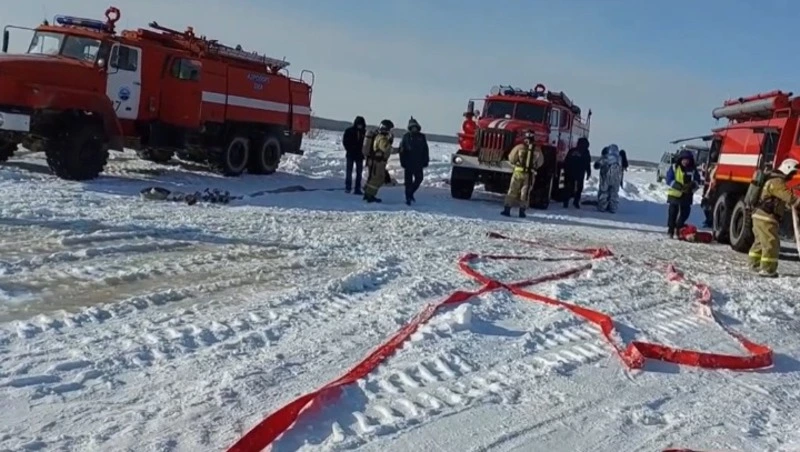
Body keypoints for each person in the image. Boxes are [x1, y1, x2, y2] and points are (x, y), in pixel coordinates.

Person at [748, 158, 800, 277]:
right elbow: (789, 197)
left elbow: (779, 200)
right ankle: (767, 269)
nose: (792, 176)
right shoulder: (777, 182)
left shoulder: (773, 180)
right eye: (792, 173)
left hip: (760, 216)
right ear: (787, 170)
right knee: (771, 242)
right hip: (766, 217)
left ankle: (754, 264)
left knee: (760, 242)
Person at [502, 130, 544, 218]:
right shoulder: (537, 149)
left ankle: (507, 210)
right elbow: (540, 162)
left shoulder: (519, 147)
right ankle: (522, 211)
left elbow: (511, 158)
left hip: (518, 173)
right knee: (525, 193)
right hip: (529, 175)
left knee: (512, 190)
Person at [665, 149, 702, 238]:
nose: (686, 161)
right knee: (672, 213)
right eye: (684, 159)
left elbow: (697, 181)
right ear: (680, 159)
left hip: (687, 195)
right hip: (674, 195)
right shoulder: (674, 167)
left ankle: (679, 228)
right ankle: (671, 230)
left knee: (685, 213)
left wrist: (692, 185)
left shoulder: (693, 170)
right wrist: (679, 186)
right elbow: (669, 180)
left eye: (688, 160)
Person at [399, 116, 430, 205]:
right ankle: (408, 197)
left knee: (419, 179)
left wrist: (426, 160)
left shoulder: (422, 137)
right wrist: (402, 161)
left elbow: (425, 149)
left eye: (415, 127)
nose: (414, 129)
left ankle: (411, 193)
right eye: (412, 127)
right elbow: (402, 150)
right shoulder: (406, 137)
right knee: (408, 182)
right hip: (408, 163)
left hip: (418, 163)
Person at [363, 119, 394, 203]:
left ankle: (368, 194)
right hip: (378, 162)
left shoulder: (378, 136)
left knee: (374, 178)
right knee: (377, 179)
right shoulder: (382, 138)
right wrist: (400, 150)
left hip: (376, 161)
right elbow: (387, 149)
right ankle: (370, 195)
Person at [562, 137, 591, 208]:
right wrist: (588, 172)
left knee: (569, 187)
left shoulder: (572, 151)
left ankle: (566, 202)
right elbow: (588, 163)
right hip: (579, 173)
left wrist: (565, 170)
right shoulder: (586, 152)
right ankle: (575, 202)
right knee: (579, 188)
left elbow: (566, 161)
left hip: (570, 172)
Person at [594, 144, 623, 213]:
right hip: (616, 179)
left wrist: (598, 164)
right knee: (614, 193)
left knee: (604, 192)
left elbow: (597, 165)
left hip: (606, 177)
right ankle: (613, 208)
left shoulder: (606, 158)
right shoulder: (619, 158)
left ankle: (602, 207)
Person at [342, 116, 366, 194]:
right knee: (349, 171)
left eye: (361, 124)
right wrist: (350, 149)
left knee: (359, 173)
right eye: (359, 124)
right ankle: (348, 187)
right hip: (351, 154)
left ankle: (357, 188)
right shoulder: (349, 131)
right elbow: (345, 142)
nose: (360, 126)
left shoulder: (364, 133)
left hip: (359, 155)